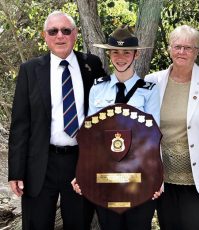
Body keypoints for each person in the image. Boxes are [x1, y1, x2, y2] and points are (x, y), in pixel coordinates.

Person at [8, 11, 106, 230]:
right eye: (53, 31)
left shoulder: (91, 65)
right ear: (45, 36)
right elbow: (20, 125)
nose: (60, 36)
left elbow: (102, 117)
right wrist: (15, 172)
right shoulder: (30, 70)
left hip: (80, 162)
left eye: (66, 30)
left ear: (75, 34)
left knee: (79, 224)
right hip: (40, 163)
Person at [72, 25, 161, 230]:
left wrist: (158, 177)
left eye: (126, 52)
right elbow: (90, 137)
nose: (120, 57)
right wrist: (83, 172)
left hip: (140, 175)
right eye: (115, 52)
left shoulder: (149, 91)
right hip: (106, 175)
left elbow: (153, 138)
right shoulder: (98, 87)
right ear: (109, 54)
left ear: (136, 55)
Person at [145, 25, 199, 230]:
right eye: (177, 46)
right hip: (164, 180)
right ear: (169, 49)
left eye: (189, 47)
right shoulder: (152, 82)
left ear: (197, 51)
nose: (182, 52)